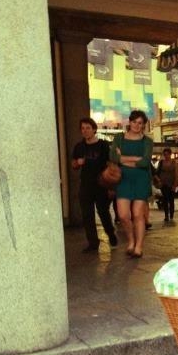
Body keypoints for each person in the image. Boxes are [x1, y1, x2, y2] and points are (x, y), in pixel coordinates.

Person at [110, 110, 154, 258]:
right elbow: (113, 157)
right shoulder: (119, 138)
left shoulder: (147, 141)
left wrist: (123, 158)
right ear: (130, 122)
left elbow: (145, 162)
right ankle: (131, 240)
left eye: (140, 123)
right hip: (123, 179)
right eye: (134, 122)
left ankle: (138, 247)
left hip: (141, 179)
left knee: (137, 214)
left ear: (143, 125)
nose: (136, 125)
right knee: (123, 215)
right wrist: (135, 159)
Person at [71, 117, 118, 252]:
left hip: (101, 184)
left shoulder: (103, 145)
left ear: (94, 129)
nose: (85, 131)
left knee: (103, 212)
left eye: (88, 128)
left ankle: (111, 234)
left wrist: (112, 186)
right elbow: (73, 164)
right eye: (82, 128)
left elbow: (111, 164)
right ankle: (93, 243)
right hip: (85, 185)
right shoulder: (79, 147)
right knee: (87, 215)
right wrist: (77, 163)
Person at [155, 147, 178, 222]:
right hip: (163, 183)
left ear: (170, 154)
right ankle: (166, 215)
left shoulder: (174, 163)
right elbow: (157, 172)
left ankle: (171, 214)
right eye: (165, 154)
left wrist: (175, 185)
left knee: (171, 199)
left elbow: (176, 174)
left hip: (171, 183)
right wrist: (159, 180)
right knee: (165, 199)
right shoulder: (161, 162)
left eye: (167, 154)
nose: (166, 156)